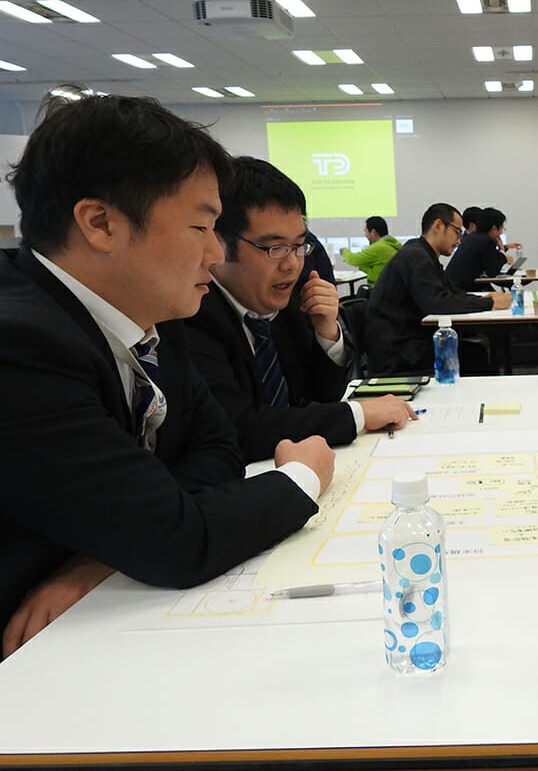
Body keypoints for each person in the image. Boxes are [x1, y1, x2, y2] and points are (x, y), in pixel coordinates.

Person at [0, 94, 334, 659]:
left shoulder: (153, 310)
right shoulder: (20, 345)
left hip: (103, 613)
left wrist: (110, 550)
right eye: (202, 227)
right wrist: (300, 478)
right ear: (101, 223)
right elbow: (180, 541)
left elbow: (217, 445)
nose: (213, 254)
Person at [185, 158, 414, 462]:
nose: (291, 264)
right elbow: (238, 429)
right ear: (220, 243)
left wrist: (325, 332)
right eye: (274, 248)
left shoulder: (287, 304)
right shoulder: (191, 313)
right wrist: (357, 413)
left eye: (299, 246)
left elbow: (318, 399)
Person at [365, 203, 510, 374]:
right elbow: (439, 303)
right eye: (457, 232)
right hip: (400, 353)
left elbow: (451, 292)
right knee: (474, 356)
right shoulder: (415, 256)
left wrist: (485, 300)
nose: (458, 240)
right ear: (438, 226)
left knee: (475, 352)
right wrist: (489, 304)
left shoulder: (424, 254)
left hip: (409, 343)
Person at [444, 206, 512, 291]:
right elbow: (492, 272)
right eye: (501, 228)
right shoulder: (486, 241)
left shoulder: (473, 237)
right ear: (494, 228)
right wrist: (503, 254)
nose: (501, 232)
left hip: (452, 286)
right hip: (462, 289)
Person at [341, 216, 401, 285]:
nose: (365, 235)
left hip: (379, 291)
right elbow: (377, 270)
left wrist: (344, 251)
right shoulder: (391, 244)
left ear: (373, 232)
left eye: (365, 231)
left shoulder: (379, 247)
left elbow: (354, 259)